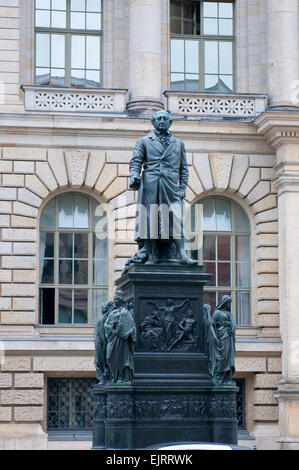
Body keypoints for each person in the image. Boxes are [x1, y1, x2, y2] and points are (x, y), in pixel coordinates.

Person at [129, 110, 197, 265]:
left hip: (171, 186)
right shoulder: (144, 141)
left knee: (176, 219)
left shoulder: (178, 144)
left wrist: (181, 188)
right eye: (158, 118)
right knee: (150, 220)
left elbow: (184, 170)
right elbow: (136, 161)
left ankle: (182, 255)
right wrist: (134, 175)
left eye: (165, 119)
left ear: (170, 122)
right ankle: (151, 257)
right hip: (151, 185)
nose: (162, 121)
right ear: (153, 122)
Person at [104, 291, 137, 383]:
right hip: (114, 338)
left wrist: (128, 333)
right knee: (110, 357)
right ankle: (116, 376)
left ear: (120, 300)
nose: (114, 301)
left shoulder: (126, 312)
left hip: (123, 340)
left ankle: (123, 377)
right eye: (114, 299)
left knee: (124, 358)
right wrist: (113, 328)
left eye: (115, 299)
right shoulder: (112, 313)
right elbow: (106, 325)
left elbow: (133, 326)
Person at [208, 295, 236, 385]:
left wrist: (232, 326)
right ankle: (218, 377)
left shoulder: (228, 314)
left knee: (228, 358)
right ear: (224, 303)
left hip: (228, 337)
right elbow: (211, 325)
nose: (229, 305)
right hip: (221, 337)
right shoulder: (217, 313)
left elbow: (233, 325)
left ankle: (226, 378)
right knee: (222, 358)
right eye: (228, 303)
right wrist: (215, 337)